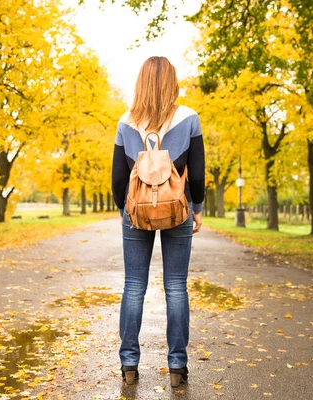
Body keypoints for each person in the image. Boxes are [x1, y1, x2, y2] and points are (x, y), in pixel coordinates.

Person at [111, 56, 205, 388]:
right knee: (176, 287)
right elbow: (197, 169)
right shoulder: (189, 117)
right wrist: (198, 207)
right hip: (176, 209)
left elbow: (118, 176)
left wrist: (125, 210)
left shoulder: (126, 121)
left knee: (134, 286)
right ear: (172, 82)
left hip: (136, 213)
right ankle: (178, 366)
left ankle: (130, 365)